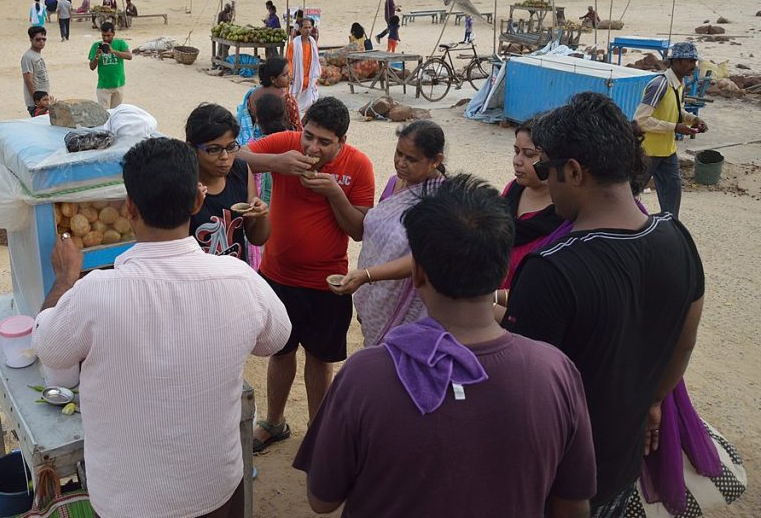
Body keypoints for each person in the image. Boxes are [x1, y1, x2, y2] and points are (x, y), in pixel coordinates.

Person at [294, 175, 597, 518]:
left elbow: (323, 500)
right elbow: (573, 505)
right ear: (501, 272)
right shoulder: (554, 371)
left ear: (418, 273)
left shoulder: (365, 376)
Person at [32, 137, 291, 518]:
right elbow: (276, 338)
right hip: (216, 489)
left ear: (129, 206)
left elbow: (49, 346)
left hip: (128, 501)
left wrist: (64, 279)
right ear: (197, 202)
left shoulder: (93, 293)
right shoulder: (239, 279)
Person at [504, 92, 705, 517]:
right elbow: (683, 344)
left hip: (554, 482)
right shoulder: (677, 238)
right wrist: (653, 400)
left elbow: (523, 399)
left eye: (548, 169)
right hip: (619, 465)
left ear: (574, 171)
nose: (546, 180)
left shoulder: (551, 270)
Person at [240, 97, 375, 451]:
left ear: (341, 142)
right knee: (280, 353)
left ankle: (318, 432)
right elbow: (236, 157)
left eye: (324, 142)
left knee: (319, 358)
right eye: (309, 136)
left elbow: (359, 229)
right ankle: (273, 422)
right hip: (278, 275)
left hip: (326, 283)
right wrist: (277, 163)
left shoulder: (358, 165)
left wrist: (334, 193)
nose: (312, 147)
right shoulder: (287, 144)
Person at [328, 120, 447, 346]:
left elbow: (423, 261)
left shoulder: (441, 200)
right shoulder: (395, 183)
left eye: (411, 159)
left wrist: (367, 275)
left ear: (436, 161)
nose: (401, 163)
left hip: (407, 301)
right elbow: (375, 228)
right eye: (398, 153)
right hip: (375, 292)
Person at [185, 103, 271, 263]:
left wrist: (262, 215)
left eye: (231, 147)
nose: (225, 156)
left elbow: (257, 238)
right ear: (193, 148)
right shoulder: (183, 182)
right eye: (213, 149)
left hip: (234, 275)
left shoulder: (241, 171)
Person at [633, 41, 708, 219]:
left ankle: (670, 228)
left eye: (694, 62)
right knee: (630, 193)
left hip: (667, 151)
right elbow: (641, 120)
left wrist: (693, 119)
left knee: (672, 197)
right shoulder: (659, 84)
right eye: (689, 61)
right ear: (676, 61)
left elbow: (676, 110)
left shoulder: (679, 85)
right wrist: (674, 127)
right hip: (648, 152)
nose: (693, 66)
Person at [500, 119, 564, 291]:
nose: (517, 160)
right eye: (516, 151)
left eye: (529, 155)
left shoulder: (563, 213)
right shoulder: (512, 190)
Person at [88, 21, 132, 109]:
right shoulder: (96, 46)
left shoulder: (120, 43)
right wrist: (97, 56)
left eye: (108, 35)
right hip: (104, 87)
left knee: (116, 114)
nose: (106, 38)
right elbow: (92, 67)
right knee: (105, 114)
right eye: (103, 35)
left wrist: (113, 51)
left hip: (119, 85)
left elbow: (129, 56)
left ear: (113, 34)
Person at [285, 17, 320, 114]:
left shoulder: (313, 43)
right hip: (297, 79)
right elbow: (289, 60)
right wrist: (290, 75)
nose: (308, 30)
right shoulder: (294, 44)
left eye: (309, 27)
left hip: (309, 79)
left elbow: (316, 61)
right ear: (300, 29)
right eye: (305, 28)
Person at [21, 26, 50, 117]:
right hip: (37, 103)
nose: (41, 42)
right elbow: (28, 80)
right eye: (38, 39)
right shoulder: (28, 57)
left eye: (44, 39)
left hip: (43, 100)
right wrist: (37, 101)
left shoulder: (37, 55)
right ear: (31, 39)